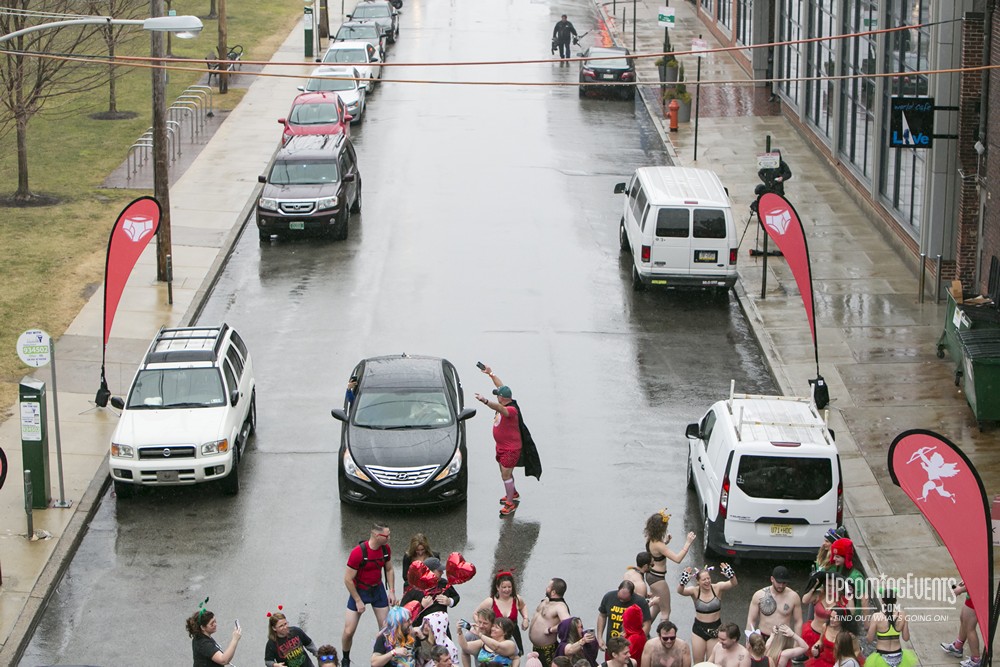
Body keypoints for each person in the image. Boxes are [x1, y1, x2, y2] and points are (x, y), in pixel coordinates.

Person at [344, 523, 397, 667]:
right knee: (349, 631)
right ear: (376, 535)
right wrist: (357, 600)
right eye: (386, 535)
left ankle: (384, 659)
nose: (389, 538)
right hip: (359, 590)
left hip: (377, 590)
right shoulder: (358, 553)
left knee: (386, 630)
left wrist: (391, 591)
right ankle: (345, 659)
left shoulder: (386, 549)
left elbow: (389, 569)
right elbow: (348, 579)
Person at [475, 365, 523, 516]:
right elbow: (499, 385)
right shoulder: (505, 400)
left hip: (511, 449)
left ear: (502, 398)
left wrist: (485, 401)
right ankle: (512, 493)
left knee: (505, 475)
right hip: (501, 446)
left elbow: (500, 409)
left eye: (498, 395)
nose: (497, 396)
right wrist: (490, 374)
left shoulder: (511, 409)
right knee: (504, 472)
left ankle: (510, 504)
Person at [675, 564, 738, 663]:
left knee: (711, 663)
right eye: (704, 580)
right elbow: (680, 591)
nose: (707, 581)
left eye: (708, 578)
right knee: (698, 662)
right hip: (699, 630)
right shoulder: (695, 591)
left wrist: (731, 575)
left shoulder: (717, 588)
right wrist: (683, 581)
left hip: (715, 629)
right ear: (698, 582)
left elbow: (733, 583)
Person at [642, 510, 696, 622]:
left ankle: (644, 630)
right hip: (658, 579)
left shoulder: (650, 540)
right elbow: (677, 559)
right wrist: (688, 543)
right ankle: (664, 635)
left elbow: (656, 551)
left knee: (657, 606)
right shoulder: (659, 545)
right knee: (666, 611)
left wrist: (665, 542)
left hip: (651, 576)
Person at [477, 571, 530, 655]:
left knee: (515, 657)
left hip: (513, 633)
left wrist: (525, 618)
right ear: (498, 587)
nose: (507, 590)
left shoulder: (516, 599)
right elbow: (476, 613)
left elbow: (523, 606)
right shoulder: (490, 601)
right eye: (504, 587)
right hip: (495, 635)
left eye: (509, 587)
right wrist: (481, 626)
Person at [747, 566, 803, 640]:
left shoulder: (793, 597)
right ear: (772, 579)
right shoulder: (759, 595)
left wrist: (797, 642)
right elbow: (751, 620)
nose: (781, 585)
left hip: (783, 639)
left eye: (784, 583)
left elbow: (798, 622)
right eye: (779, 582)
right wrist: (748, 640)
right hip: (763, 637)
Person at [865, 588, 916, 667]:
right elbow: (906, 638)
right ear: (895, 601)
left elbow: (869, 639)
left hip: (882, 656)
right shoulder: (902, 615)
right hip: (899, 656)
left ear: (882, 601)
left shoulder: (876, 617)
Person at [403, 557, 461, 626]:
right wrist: (421, 606)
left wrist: (449, 601)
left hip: (443, 629)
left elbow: (456, 596)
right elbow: (403, 611)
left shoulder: (444, 583)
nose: (442, 573)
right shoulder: (414, 588)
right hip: (422, 631)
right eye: (439, 571)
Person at [596, 581, 652, 653]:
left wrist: (636, 641)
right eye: (619, 598)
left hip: (631, 646)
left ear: (632, 594)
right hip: (612, 644)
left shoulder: (640, 602)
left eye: (625, 600)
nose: (621, 601)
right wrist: (599, 637)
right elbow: (602, 615)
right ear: (618, 589)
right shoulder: (608, 597)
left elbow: (647, 624)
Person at [529, 578, 572, 666]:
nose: (546, 588)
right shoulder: (546, 600)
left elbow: (567, 623)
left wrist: (551, 630)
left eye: (548, 587)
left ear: (553, 592)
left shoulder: (560, 606)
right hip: (536, 648)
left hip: (547, 650)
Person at [941, 581, 981, 667]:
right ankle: (957, 647)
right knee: (963, 619)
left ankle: (976, 660)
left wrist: (961, 589)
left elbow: (979, 582)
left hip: (977, 596)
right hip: (972, 595)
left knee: (970, 628)